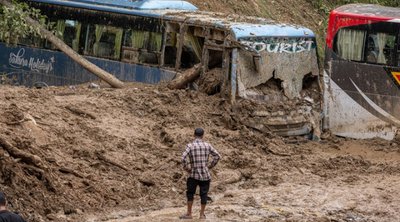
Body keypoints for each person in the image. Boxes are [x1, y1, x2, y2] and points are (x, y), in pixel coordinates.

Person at [180, 128, 221, 220]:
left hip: (193, 174)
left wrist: (187, 168)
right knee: (204, 194)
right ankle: (202, 215)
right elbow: (217, 156)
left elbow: (182, 158)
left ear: (194, 135)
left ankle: (189, 214)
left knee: (190, 193)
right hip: (205, 175)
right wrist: (210, 166)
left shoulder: (190, 146)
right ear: (202, 136)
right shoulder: (207, 145)